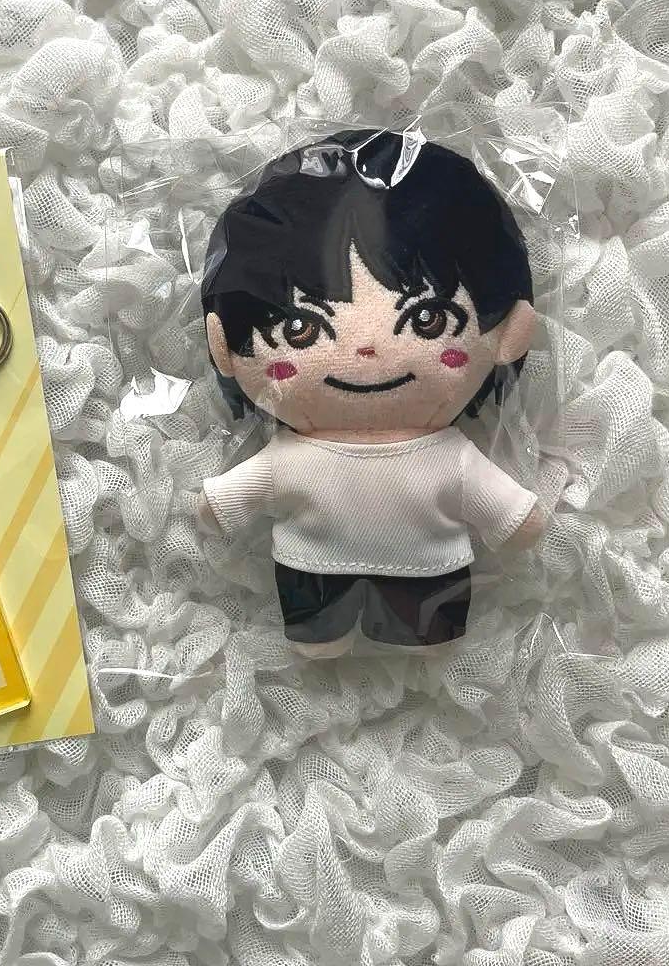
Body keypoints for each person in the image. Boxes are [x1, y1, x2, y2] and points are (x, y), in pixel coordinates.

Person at [198, 130, 545, 655]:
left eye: (427, 320)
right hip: (314, 572)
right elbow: (517, 522)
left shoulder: (445, 456)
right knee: (322, 638)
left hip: (427, 573)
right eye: (302, 330)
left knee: (425, 638)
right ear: (226, 346)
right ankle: (332, 637)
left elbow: (223, 504)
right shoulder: (298, 457)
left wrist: (213, 508)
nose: (366, 348)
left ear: (509, 335)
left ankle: (408, 635)